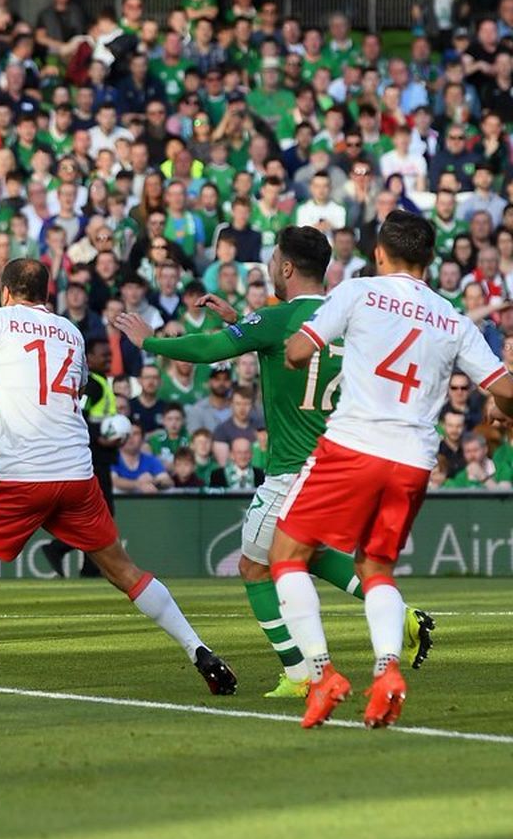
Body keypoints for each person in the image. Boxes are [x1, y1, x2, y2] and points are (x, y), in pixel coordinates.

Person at [0, 258, 236, 699]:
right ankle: (199, 650)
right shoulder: (71, 334)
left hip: (24, 474)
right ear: (47, 293)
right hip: (78, 472)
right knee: (124, 571)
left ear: (4, 292)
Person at [116, 226, 435, 697]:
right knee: (312, 556)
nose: (268, 267)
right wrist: (242, 319)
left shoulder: (276, 319)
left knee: (253, 567)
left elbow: (211, 349)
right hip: (342, 465)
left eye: (272, 260)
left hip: (292, 472)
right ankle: (401, 616)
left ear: (286, 267)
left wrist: (150, 343)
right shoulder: (349, 318)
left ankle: (299, 670)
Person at [271, 211, 513, 729]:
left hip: (353, 445)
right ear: (430, 259)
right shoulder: (453, 319)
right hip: (413, 461)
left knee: (286, 556)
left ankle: (322, 675)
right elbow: (505, 390)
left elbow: (296, 352)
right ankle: (385, 672)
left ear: (380, 253)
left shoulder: (358, 293)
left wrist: (298, 350)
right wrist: (499, 411)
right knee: (375, 566)